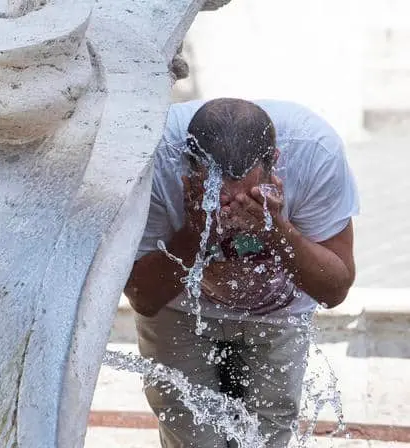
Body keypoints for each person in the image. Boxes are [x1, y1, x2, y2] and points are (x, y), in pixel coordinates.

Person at [124, 98, 359, 448]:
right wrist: (194, 232)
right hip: (179, 307)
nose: (232, 210)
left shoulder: (315, 152)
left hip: (280, 308)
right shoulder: (152, 158)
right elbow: (144, 298)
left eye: (246, 197)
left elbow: (334, 290)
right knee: (189, 429)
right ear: (187, 171)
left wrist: (276, 230)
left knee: (267, 435)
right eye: (217, 199)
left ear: (274, 162)